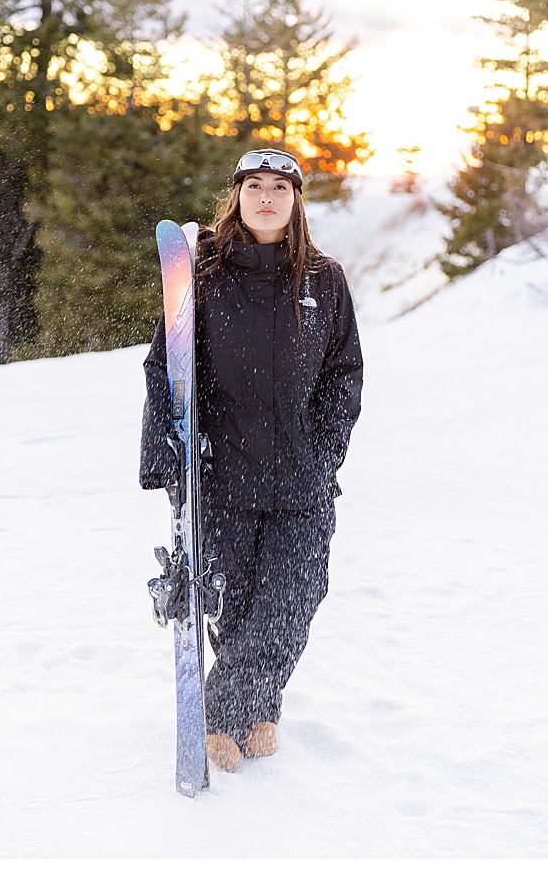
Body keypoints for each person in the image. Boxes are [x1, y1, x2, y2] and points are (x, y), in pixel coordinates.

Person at [140, 147, 363, 773]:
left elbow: (345, 374)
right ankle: (258, 711)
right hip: (224, 474)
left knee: (294, 596)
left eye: (281, 188)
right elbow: (167, 369)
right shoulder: (202, 275)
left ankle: (223, 710)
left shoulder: (325, 279)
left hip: (303, 478)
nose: (267, 198)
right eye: (254, 186)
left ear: (297, 202)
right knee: (237, 605)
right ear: (236, 195)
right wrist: (169, 457)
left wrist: (325, 449)